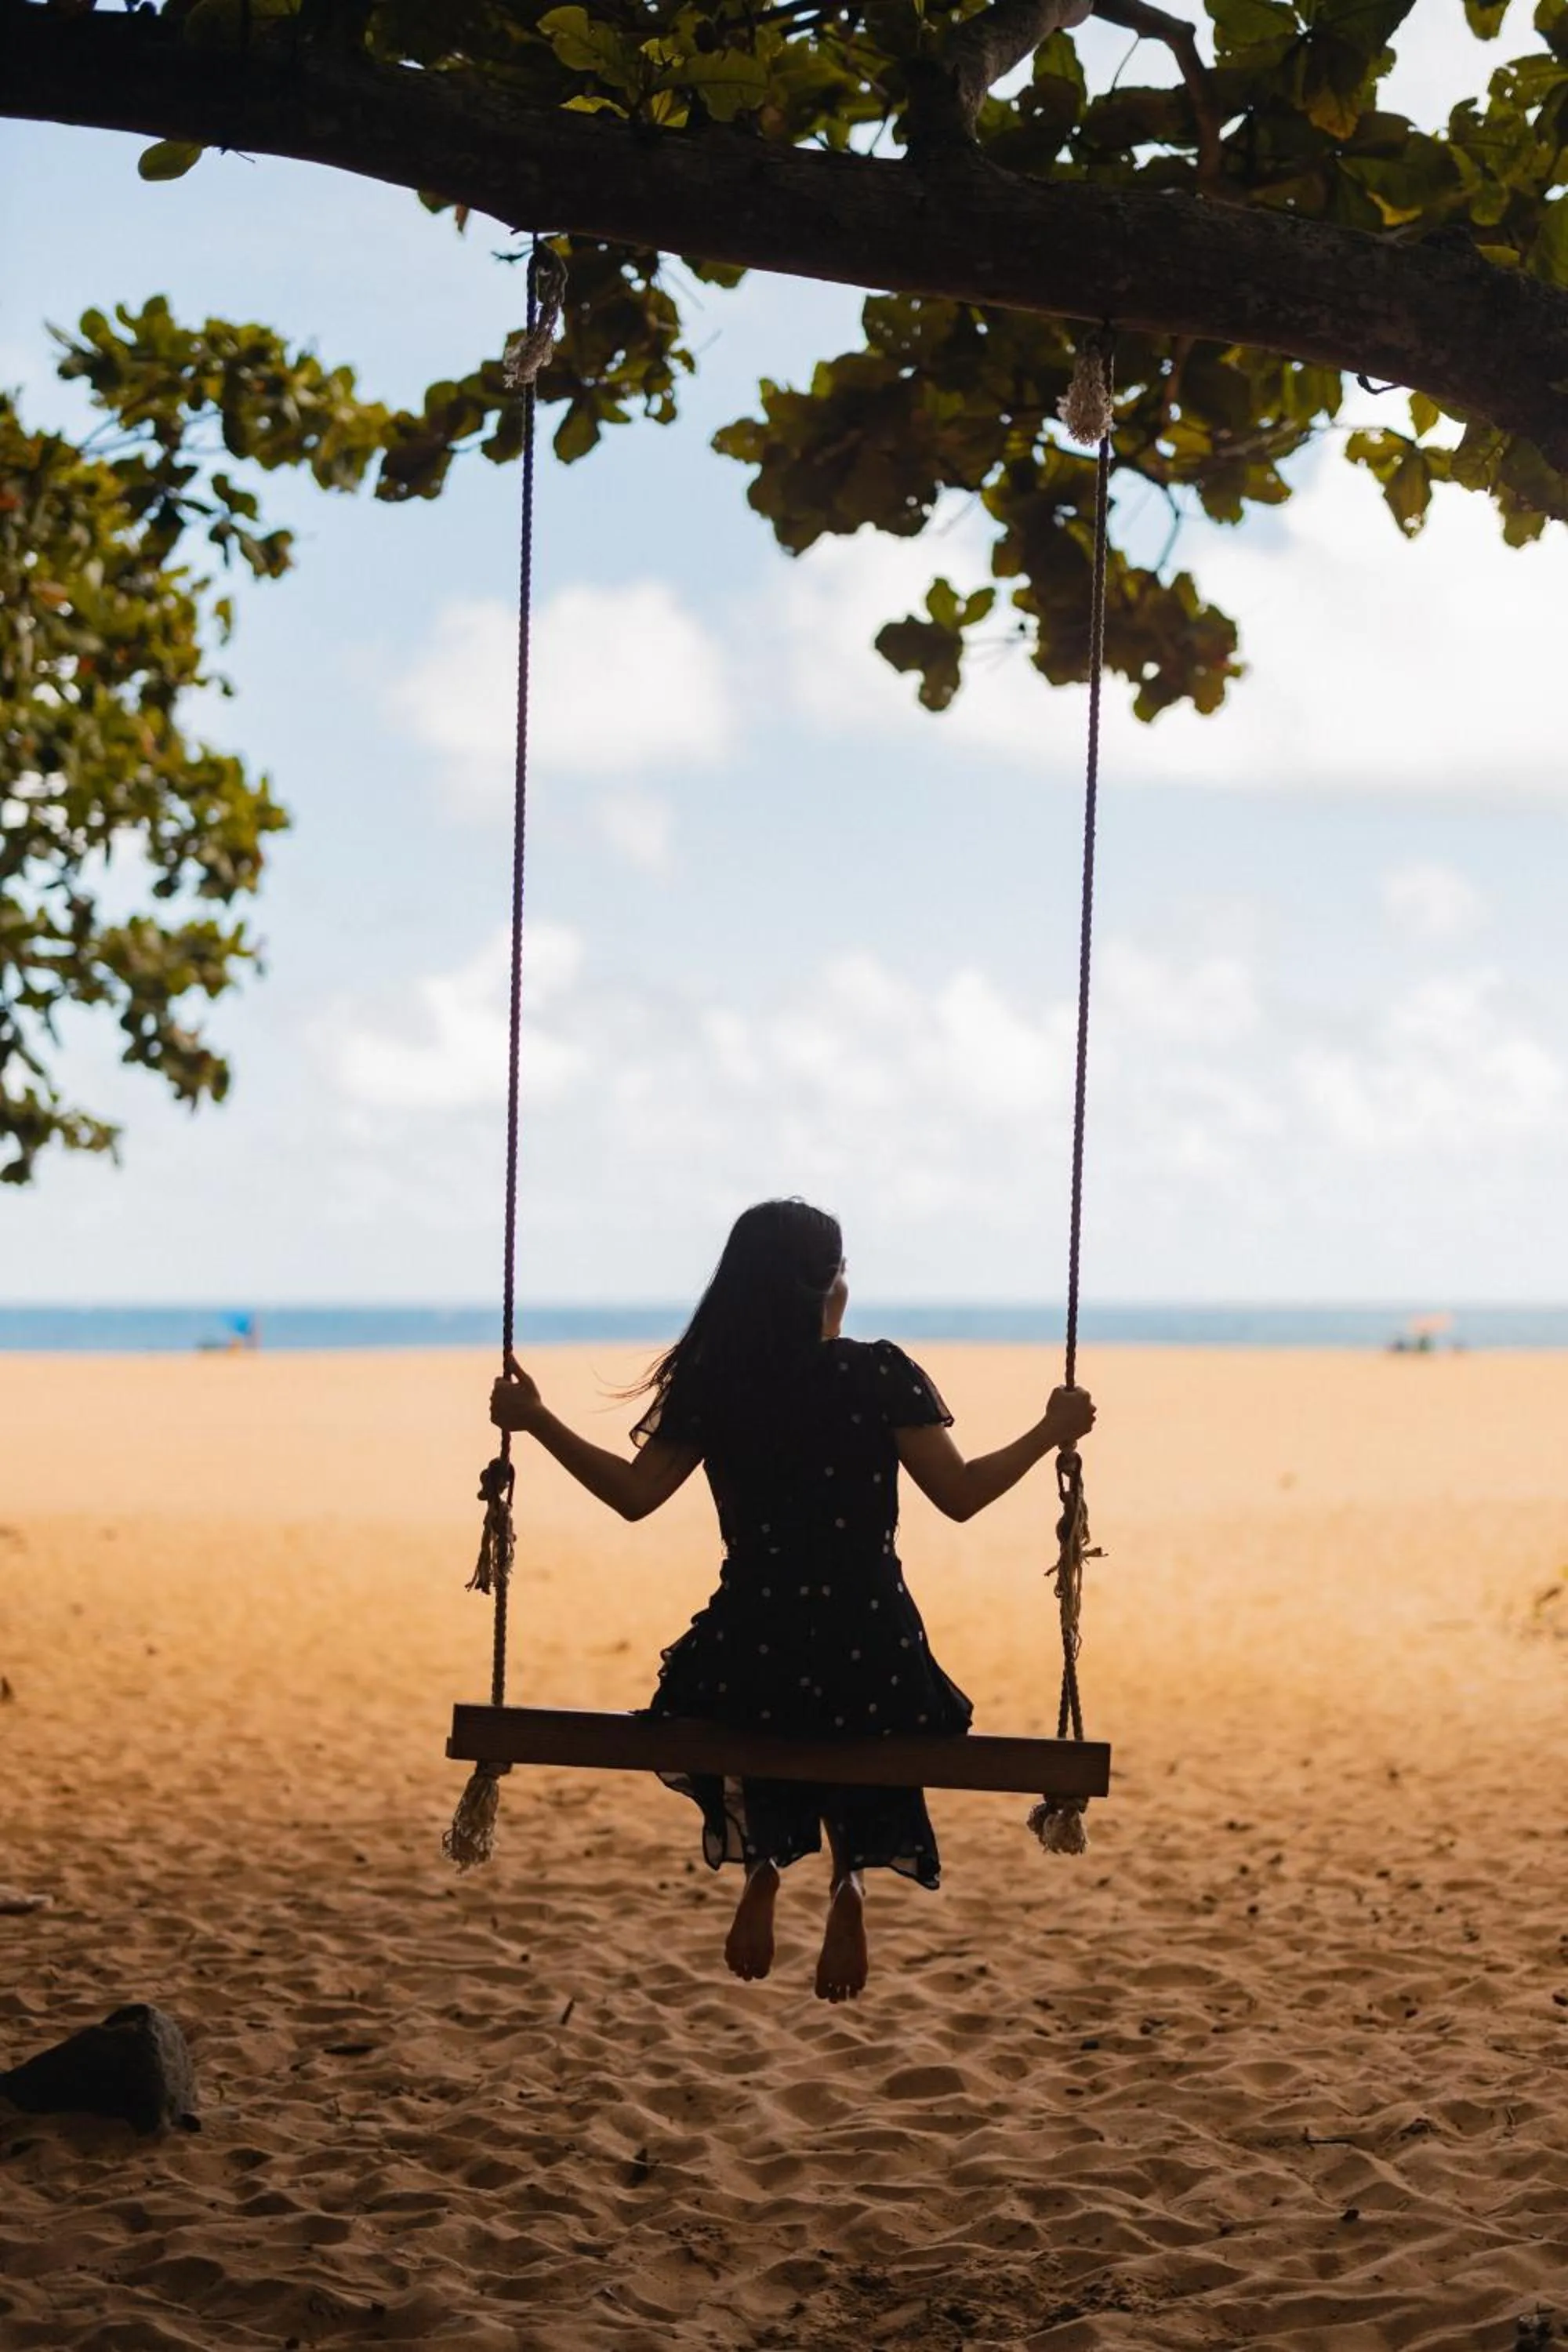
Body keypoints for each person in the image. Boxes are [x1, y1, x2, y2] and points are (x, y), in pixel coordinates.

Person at [490, 1199, 1097, 2003]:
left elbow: (633, 1495)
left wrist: (535, 1421)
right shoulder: (876, 1373)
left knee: (750, 1708)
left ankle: (765, 1863)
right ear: (826, 1284)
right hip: (871, 1649)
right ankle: (849, 1883)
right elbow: (960, 1494)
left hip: (751, 1650)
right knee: (873, 1718)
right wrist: (1048, 1431)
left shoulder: (718, 1383)